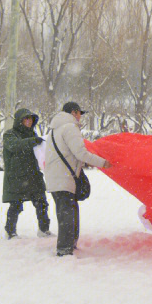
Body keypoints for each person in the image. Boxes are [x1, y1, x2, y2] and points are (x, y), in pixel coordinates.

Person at [44, 101, 111, 256]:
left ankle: (69, 245)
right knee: (68, 214)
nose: (80, 116)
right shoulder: (69, 127)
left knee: (67, 212)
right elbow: (80, 153)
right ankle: (64, 249)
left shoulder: (55, 129)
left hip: (57, 177)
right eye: (80, 113)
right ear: (74, 112)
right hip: (63, 178)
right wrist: (103, 163)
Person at [1, 107, 50, 239]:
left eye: (31, 118)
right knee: (16, 205)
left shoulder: (33, 135)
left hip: (33, 175)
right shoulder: (10, 134)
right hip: (16, 176)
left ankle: (44, 230)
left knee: (42, 202)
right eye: (26, 118)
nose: (29, 121)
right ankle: (10, 232)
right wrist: (33, 141)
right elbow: (15, 146)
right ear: (19, 120)